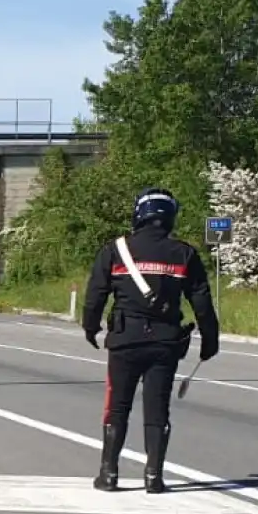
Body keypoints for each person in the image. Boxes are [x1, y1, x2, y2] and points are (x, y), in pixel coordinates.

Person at [80, 187, 220, 494]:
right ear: (169, 217)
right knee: (157, 409)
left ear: (139, 215)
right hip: (165, 344)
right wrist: (210, 341)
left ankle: (109, 474)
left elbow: (95, 296)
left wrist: (90, 328)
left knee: (117, 407)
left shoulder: (115, 250)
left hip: (124, 340)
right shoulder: (184, 253)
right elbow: (202, 303)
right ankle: (154, 477)